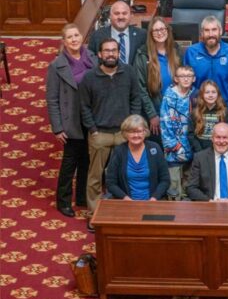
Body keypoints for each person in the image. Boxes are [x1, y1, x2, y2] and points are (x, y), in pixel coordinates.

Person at [79, 38, 143, 213]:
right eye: (106, 51)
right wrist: (92, 130)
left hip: (124, 133)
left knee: (124, 175)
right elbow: (84, 106)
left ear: (118, 53)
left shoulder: (128, 72)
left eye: (114, 50)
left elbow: (135, 98)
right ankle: (94, 212)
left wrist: (133, 123)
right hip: (100, 134)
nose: (110, 54)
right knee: (95, 177)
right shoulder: (90, 77)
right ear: (100, 54)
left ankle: (121, 211)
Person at [46, 24, 95, 216]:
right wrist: (57, 128)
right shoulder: (56, 65)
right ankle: (64, 200)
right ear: (63, 42)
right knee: (70, 162)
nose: (74, 39)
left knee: (87, 160)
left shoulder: (92, 57)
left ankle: (82, 196)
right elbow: (52, 99)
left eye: (76, 35)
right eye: (69, 37)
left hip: (90, 117)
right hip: (71, 120)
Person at [104, 115, 170, 201]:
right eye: (131, 132)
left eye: (139, 131)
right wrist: (126, 198)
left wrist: (154, 198)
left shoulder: (155, 148)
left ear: (145, 132)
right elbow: (110, 183)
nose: (136, 135)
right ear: (125, 133)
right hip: (126, 203)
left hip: (153, 202)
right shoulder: (119, 151)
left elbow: (165, 180)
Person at [133, 16, 181, 136]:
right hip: (155, 113)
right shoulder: (142, 55)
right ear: (150, 34)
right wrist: (152, 115)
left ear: (168, 30)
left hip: (175, 111)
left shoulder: (176, 51)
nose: (160, 33)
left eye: (162, 29)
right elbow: (140, 88)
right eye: (156, 30)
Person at [184, 16, 228, 111]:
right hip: (199, 109)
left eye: (214, 30)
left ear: (220, 31)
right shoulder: (191, 52)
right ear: (201, 33)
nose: (211, 34)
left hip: (226, 109)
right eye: (207, 30)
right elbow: (185, 83)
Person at [159, 64, 195, 200]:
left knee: (189, 183)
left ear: (194, 79)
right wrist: (175, 145)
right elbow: (165, 124)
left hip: (191, 147)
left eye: (189, 76)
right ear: (175, 78)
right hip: (174, 150)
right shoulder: (168, 97)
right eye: (182, 76)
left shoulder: (196, 95)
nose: (186, 79)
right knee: (174, 185)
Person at [88, 0, 146, 65]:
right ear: (110, 16)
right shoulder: (97, 36)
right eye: (116, 13)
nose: (121, 17)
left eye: (124, 13)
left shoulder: (142, 35)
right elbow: (91, 61)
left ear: (130, 15)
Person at [189, 81, 228, 154]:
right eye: (207, 92)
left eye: (213, 92)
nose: (210, 95)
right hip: (200, 152)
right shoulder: (195, 113)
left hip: (220, 152)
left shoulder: (224, 112)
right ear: (202, 95)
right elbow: (191, 135)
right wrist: (200, 151)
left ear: (218, 94)